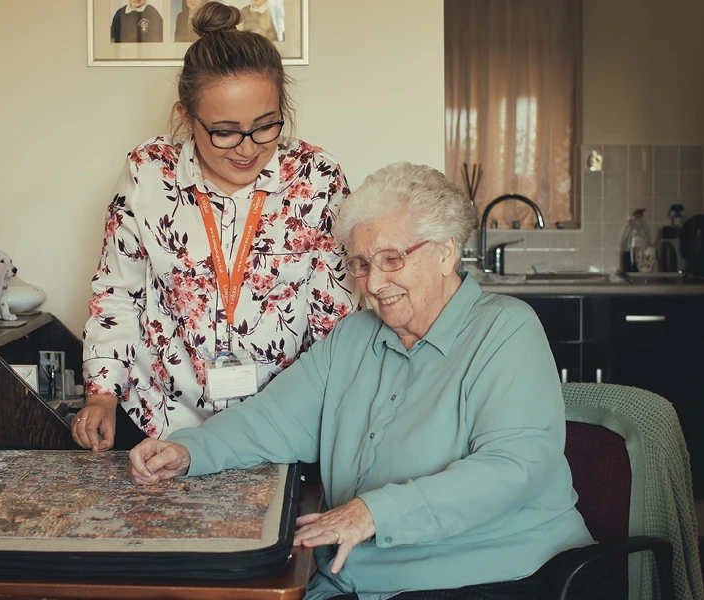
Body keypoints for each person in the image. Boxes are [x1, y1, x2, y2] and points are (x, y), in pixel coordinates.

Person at [128, 162, 595, 600]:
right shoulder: (354, 337)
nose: (372, 283)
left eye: (391, 259)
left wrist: (373, 513)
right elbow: (272, 421)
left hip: (493, 574)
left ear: (446, 251)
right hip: (356, 577)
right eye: (361, 264)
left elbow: (514, 466)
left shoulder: (506, 329)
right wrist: (189, 451)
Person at [76, 2, 357, 453]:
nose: (248, 148)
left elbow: (335, 320)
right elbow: (117, 294)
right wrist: (103, 394)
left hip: (280, 424)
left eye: (265, 126)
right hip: (160, 420)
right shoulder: (149, 173)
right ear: (186, 118)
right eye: (225, 131)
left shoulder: (317, 178)